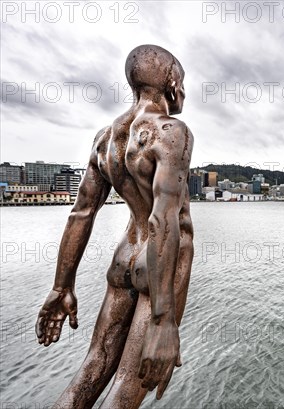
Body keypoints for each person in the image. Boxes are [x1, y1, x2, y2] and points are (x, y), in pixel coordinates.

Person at [35, 44, 194, 408]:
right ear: (171, 81)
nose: (183, 91)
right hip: (160, 266)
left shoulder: (105, 140)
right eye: (182, 82)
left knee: (89, 371)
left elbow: (81, 212)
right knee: (127, 387)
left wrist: (62, 286)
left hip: (124, 258)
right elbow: (163, 219)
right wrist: (164, 321)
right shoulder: (172, 132)